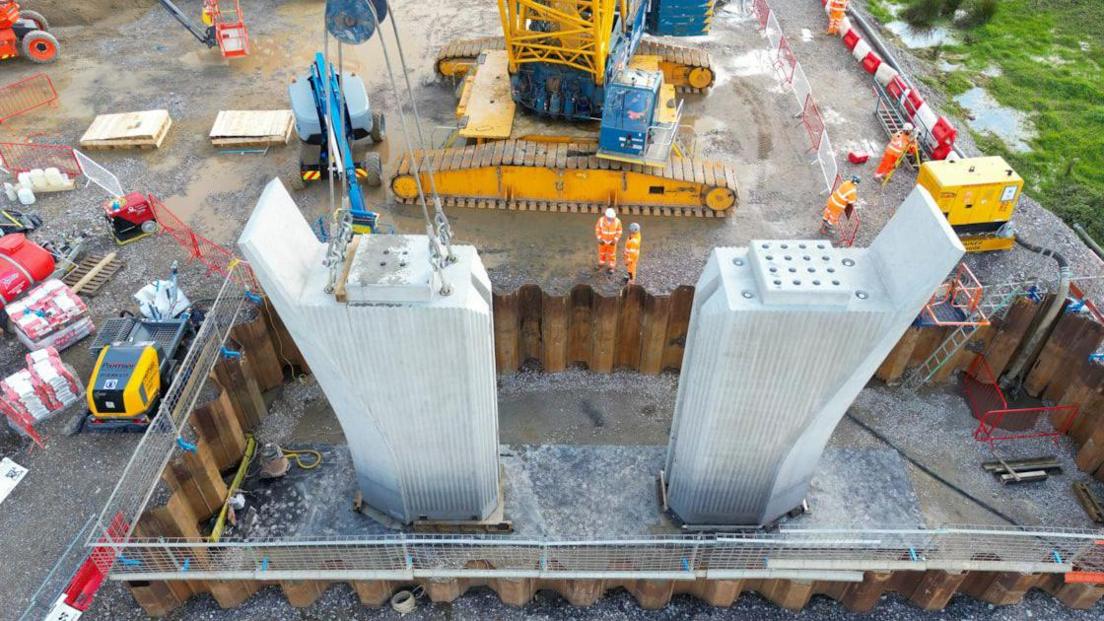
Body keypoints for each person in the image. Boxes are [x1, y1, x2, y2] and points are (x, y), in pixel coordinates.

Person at [595, 208, 623, 274]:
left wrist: (615, 240)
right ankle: (601, 263)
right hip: (603, 241)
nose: (611, 219)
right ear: (606, 216)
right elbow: (597, 229)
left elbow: (619, 231)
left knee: (612, 254)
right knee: (602, 253)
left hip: (612, 242)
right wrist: (599, 238)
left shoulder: (617, 221)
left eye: (612, 217)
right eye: (610, 218)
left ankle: (611, 266)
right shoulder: (601, 220)